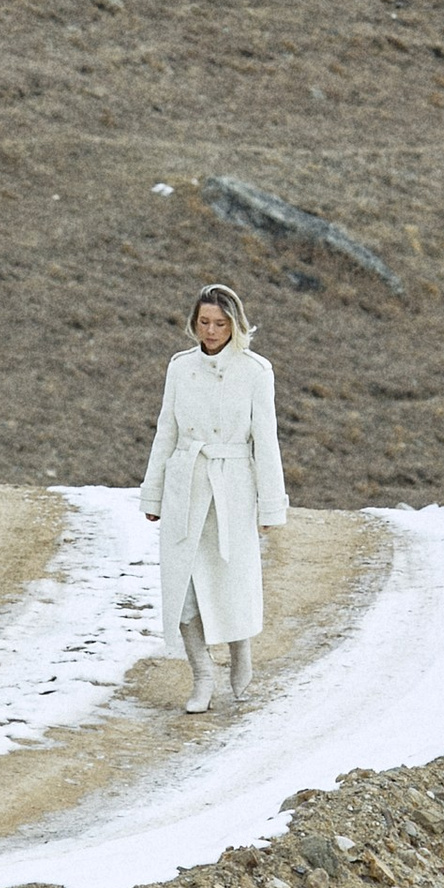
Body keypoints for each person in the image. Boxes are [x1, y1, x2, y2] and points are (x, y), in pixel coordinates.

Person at [140, 282, 288, 711]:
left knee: (231, 581)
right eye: (204, 322)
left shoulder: (256, 371)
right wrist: (154, 495)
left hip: (233, 488)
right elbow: (165, 430)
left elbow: (267, 440)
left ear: (234, 324)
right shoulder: (179, 368)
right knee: (182, 587)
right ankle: (201, 675)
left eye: (219, 323)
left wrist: (269, 504)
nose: (210, 331)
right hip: (186, 484)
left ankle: (241, 657)